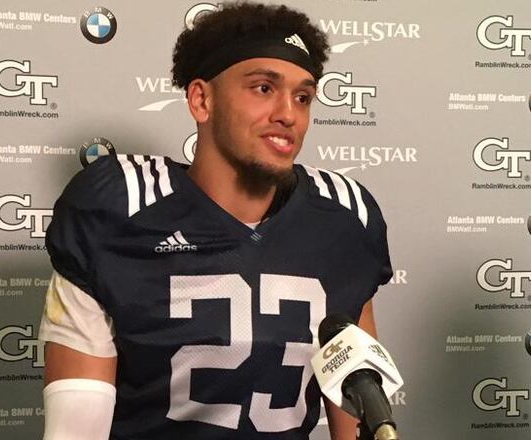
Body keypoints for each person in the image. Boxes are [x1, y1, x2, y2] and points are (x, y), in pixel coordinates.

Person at [39, 2, 392, 439]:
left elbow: (357, 406)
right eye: (263, 88)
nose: (288, 113)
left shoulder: (342, 219)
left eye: (303, 97)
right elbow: (76, 427)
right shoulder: (121, 211)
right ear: (201, 99)